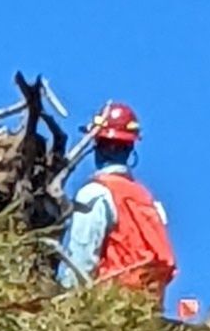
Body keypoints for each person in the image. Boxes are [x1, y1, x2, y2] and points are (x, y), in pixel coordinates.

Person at [55, 101, 179, 301]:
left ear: (98, 146)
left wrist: (65, 305)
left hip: (108, 304)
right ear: (130, 148)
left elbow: (82, 259)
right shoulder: (148, 201)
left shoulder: (95, 193)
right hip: (147, 308)